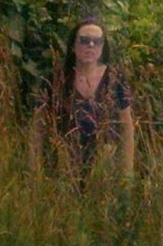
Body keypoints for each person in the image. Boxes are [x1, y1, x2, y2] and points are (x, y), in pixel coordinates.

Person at [31, 15, 135, 178]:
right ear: (73, 46)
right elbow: (38, 127)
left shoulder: (115, 79)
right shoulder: (56, 80)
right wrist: (34, 171)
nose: (91, 45)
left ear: (102, 48)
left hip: (105, 169)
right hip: (62, 169)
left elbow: (127, 127)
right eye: (84, 40)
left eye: (97, 41)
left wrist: (127, 173)